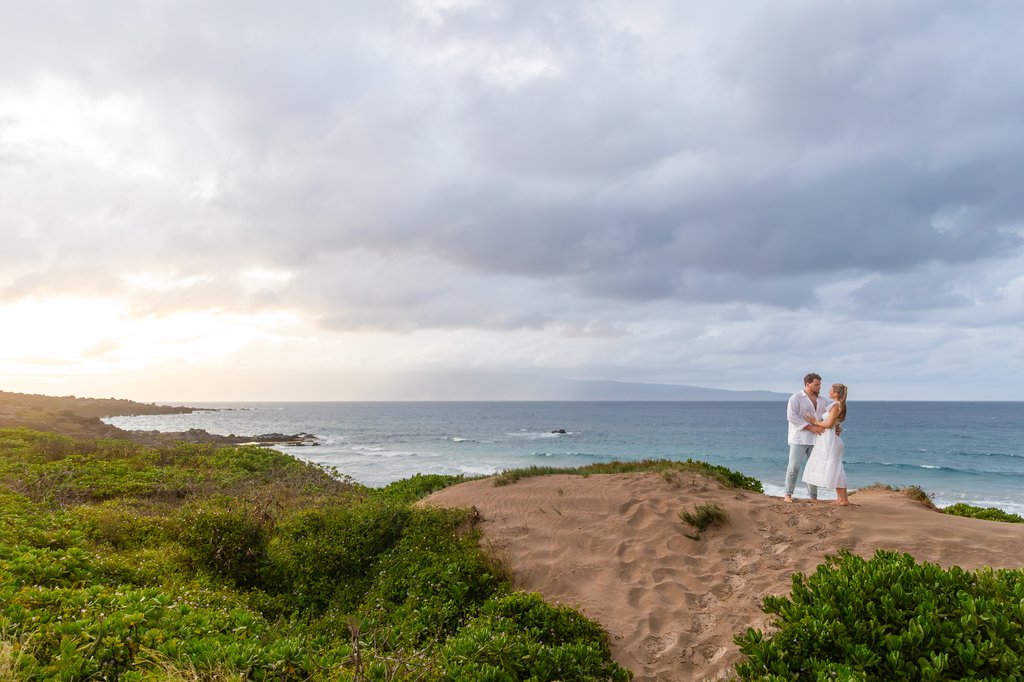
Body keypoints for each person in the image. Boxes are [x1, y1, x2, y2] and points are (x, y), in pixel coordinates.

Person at [784, 373, 829, 502]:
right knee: (794, 466)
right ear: (807, 384)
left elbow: (826, 418)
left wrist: (835, 427)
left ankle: (813, 497)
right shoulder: (796, 398)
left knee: (814, 468)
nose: (819, 387)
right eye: (816, 384)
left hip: (817, 439)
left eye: (820, 384)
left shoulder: (823, 400)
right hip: (799, 439)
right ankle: (788, 494)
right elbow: (792, 417)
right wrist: (811, 427)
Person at [802, 383, 849, 505]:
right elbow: (834, 423)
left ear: (836, 394)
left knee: (836, 468)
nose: (829, 392)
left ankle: (842, 499)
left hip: (832, 441)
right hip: (832, 439)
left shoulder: (835, 406)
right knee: (837, 468)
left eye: (831, 390)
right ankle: (842, 499)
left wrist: (814, 422)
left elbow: (828, 425)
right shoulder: (838, 405)